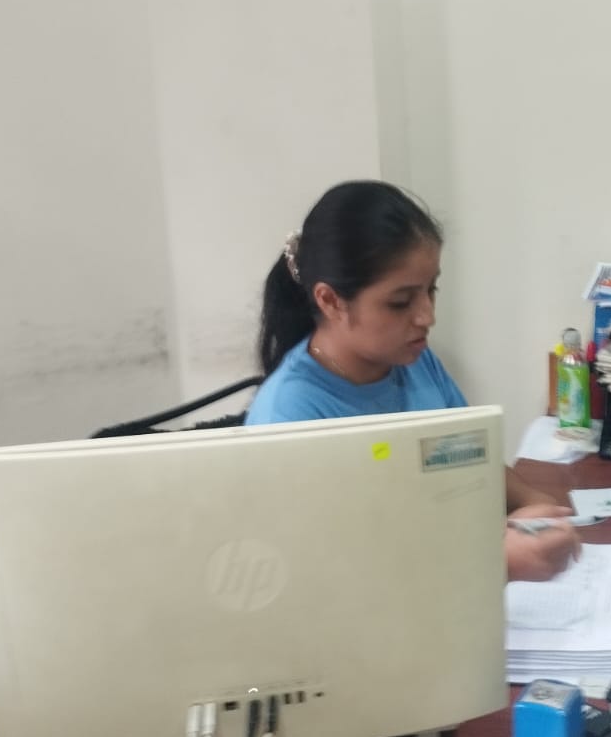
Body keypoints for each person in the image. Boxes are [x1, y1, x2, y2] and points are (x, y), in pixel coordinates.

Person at [247, 179, 581, 582]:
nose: (427, 316)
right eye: (400, 302)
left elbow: (469, 457)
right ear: (331, 301)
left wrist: (537, 505)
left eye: (431, 289)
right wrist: (497, 562)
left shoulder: (412, 360)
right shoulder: (288, 418)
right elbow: (331, 577)